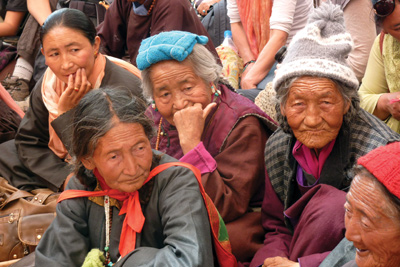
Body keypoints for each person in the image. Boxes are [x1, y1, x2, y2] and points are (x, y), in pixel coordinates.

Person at [250, 3, 400, 267]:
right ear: (282, 107)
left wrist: (304, 265)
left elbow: (380, 242)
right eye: (298, 104)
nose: (312, 119)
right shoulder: (278, 146)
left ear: (346, 103)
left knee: (333, 207)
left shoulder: (378, 150)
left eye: (326, 103)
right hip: (294, 251)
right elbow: (276, 224)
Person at [35, 87, 236, 266]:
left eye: (139, 148)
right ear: (88, 160)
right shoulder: (81, 188)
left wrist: (131, 261)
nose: (132, 168)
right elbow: (55, 259)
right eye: (114, 156)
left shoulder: (176, 180)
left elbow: (191, 261)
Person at [136, 30, 278, 263]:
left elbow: (227, 206)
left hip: (230, 222)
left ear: (209, 79)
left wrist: (192, 145)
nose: (179, 103)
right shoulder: (154, 117)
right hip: (173, 216)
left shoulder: (242, 123)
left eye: (188, 87)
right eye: (164, 94)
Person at [0, 8, 142, 192]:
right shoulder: (50, 83)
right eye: (54, 54)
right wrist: (62, 177)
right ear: (44, 54)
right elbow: (29, 140)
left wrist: (68, 115)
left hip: (107, 166)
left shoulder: (123, 87)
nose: (66, 64)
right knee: (6, 151)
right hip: (66, 163)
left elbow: (115, 156)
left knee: (98, 181)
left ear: (95, 45)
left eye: (74, 50)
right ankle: (67, 190)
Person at [228, 0, 313, 101]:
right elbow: (236, 23)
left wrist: (250, 79)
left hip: (292, 56)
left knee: (246, 99)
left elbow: (279, 36)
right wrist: (249, 63)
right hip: (256, 55)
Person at [97, 0, 219, 67]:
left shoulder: (172, 4)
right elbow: (104, 43)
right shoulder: (124, 2)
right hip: (145, 78)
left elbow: (160, 64)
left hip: (188, 81)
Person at [358, 0, 400, 134]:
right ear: (385, 30)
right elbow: (362, 102)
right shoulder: (384, 44)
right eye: (398, 28)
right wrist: (387, 103)